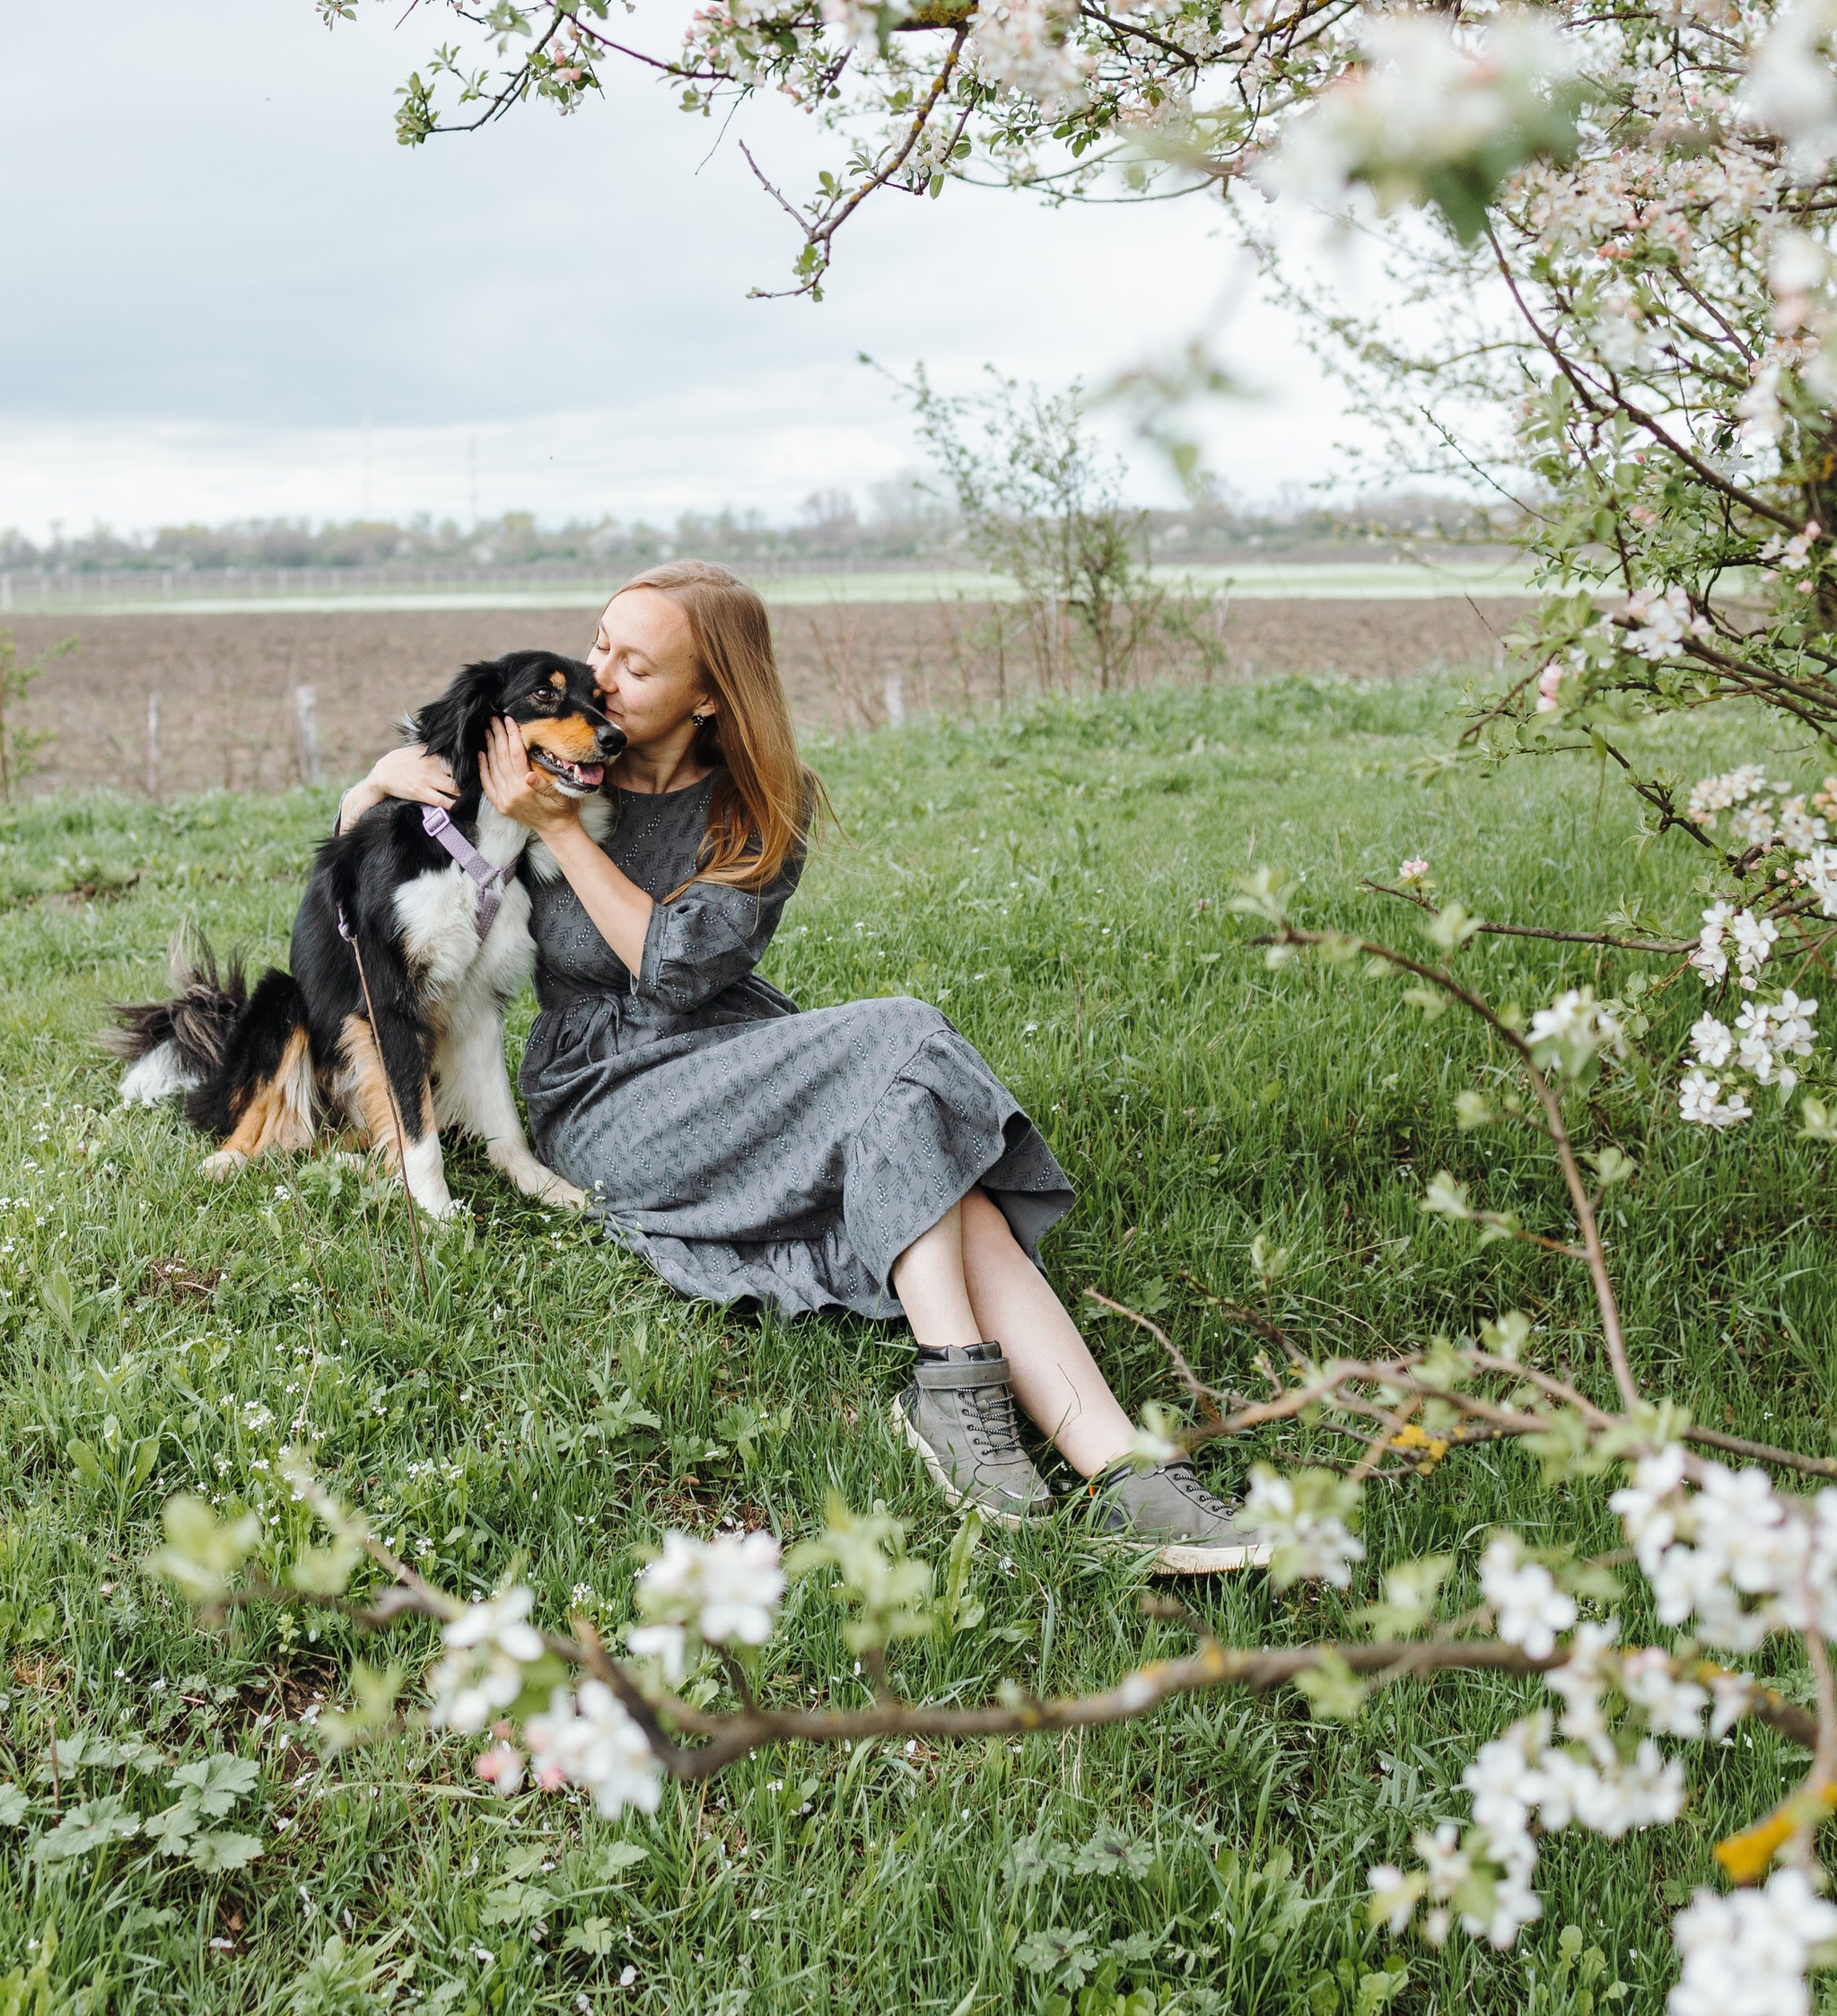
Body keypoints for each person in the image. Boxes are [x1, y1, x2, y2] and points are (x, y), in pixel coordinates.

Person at [337, 560, 1265, 1573]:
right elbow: (385, 852)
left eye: (634, 667)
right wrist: (373, 780)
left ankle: (1117, 1465)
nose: (599, 678)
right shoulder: (542, 755)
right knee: (906, 1047)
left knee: (944, 1167)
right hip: (606, 1086)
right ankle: (963, 1387)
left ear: (707, 697)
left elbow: (681, 967)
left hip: (733, 1045)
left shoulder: (761, 801)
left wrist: (563, 831)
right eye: (601, 643)